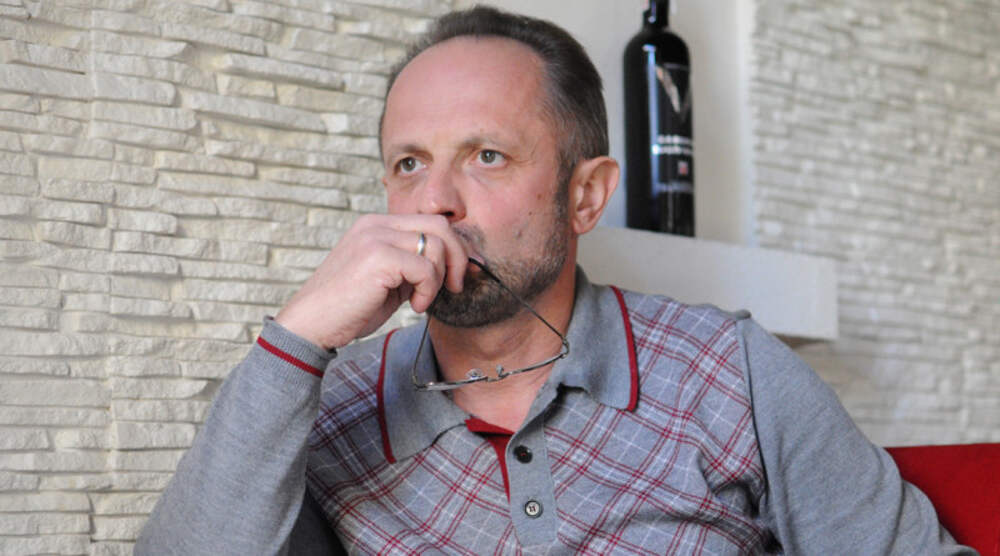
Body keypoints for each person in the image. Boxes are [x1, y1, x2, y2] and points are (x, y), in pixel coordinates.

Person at [136, 6, 973, 555]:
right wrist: (298, 336)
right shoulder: (330, 407)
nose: (435, 202)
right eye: (409, 164)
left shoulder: (730, 371)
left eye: (487, 156)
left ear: (585, 196)